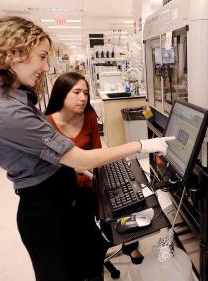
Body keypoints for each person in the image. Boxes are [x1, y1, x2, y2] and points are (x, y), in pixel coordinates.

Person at [0, 16, 174, 281]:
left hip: (60, 200)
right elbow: (80, 157)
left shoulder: (6, 99)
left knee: (90, 258)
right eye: (41, 56)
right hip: (46, 212)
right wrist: (142, 144)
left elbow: (48, 154)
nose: (45, 66)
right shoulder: (5, 110)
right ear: (13, 51)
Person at [44, 72, 144, 275]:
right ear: (61, 94)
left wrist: (104, 178)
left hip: (91, 181)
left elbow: (98, 154)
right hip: (65, 191)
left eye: (86, 93)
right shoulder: (47, 124)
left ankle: (128, 244)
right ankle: (95, 253)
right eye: (77, 92)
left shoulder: (89, 116)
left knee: (129, 195)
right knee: (85, 227)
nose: (83, 98)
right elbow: (52, 166)